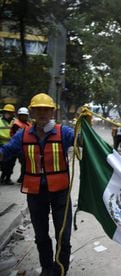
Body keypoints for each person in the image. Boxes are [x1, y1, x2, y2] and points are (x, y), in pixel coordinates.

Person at [0, 93, 75, 276]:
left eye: (46, 110)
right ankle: (47, 269)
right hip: (35, 192)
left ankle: (60, 269)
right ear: (32, 111)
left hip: (60, 192)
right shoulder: (22, 135)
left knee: (63, 236)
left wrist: (85, 128)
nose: (42, 113)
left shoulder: (64, 132)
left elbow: (84, 141)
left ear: (52, 113)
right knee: (41, 236)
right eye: (38, 109)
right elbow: (6, 151)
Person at [10, 107, 32, 183]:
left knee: (26, 163)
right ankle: (7, 177)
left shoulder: (28, 124)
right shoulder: (17, 124)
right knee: (22, 162)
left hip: (26, 147)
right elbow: (18, 136)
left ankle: (22, 177)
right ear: (19, 115)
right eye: (22, 115)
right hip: (18, 147)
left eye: (25, 115)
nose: (24, 117)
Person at [0, 104, 16, 185]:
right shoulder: (0, 121)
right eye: (6, 112)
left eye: (9, 112)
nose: (7, 114)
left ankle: (8, 178)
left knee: (11, 163)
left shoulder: (16, 122)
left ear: (13, 113)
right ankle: (3, 176)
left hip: (13, 146)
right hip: (1, 145)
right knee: (3, 163)